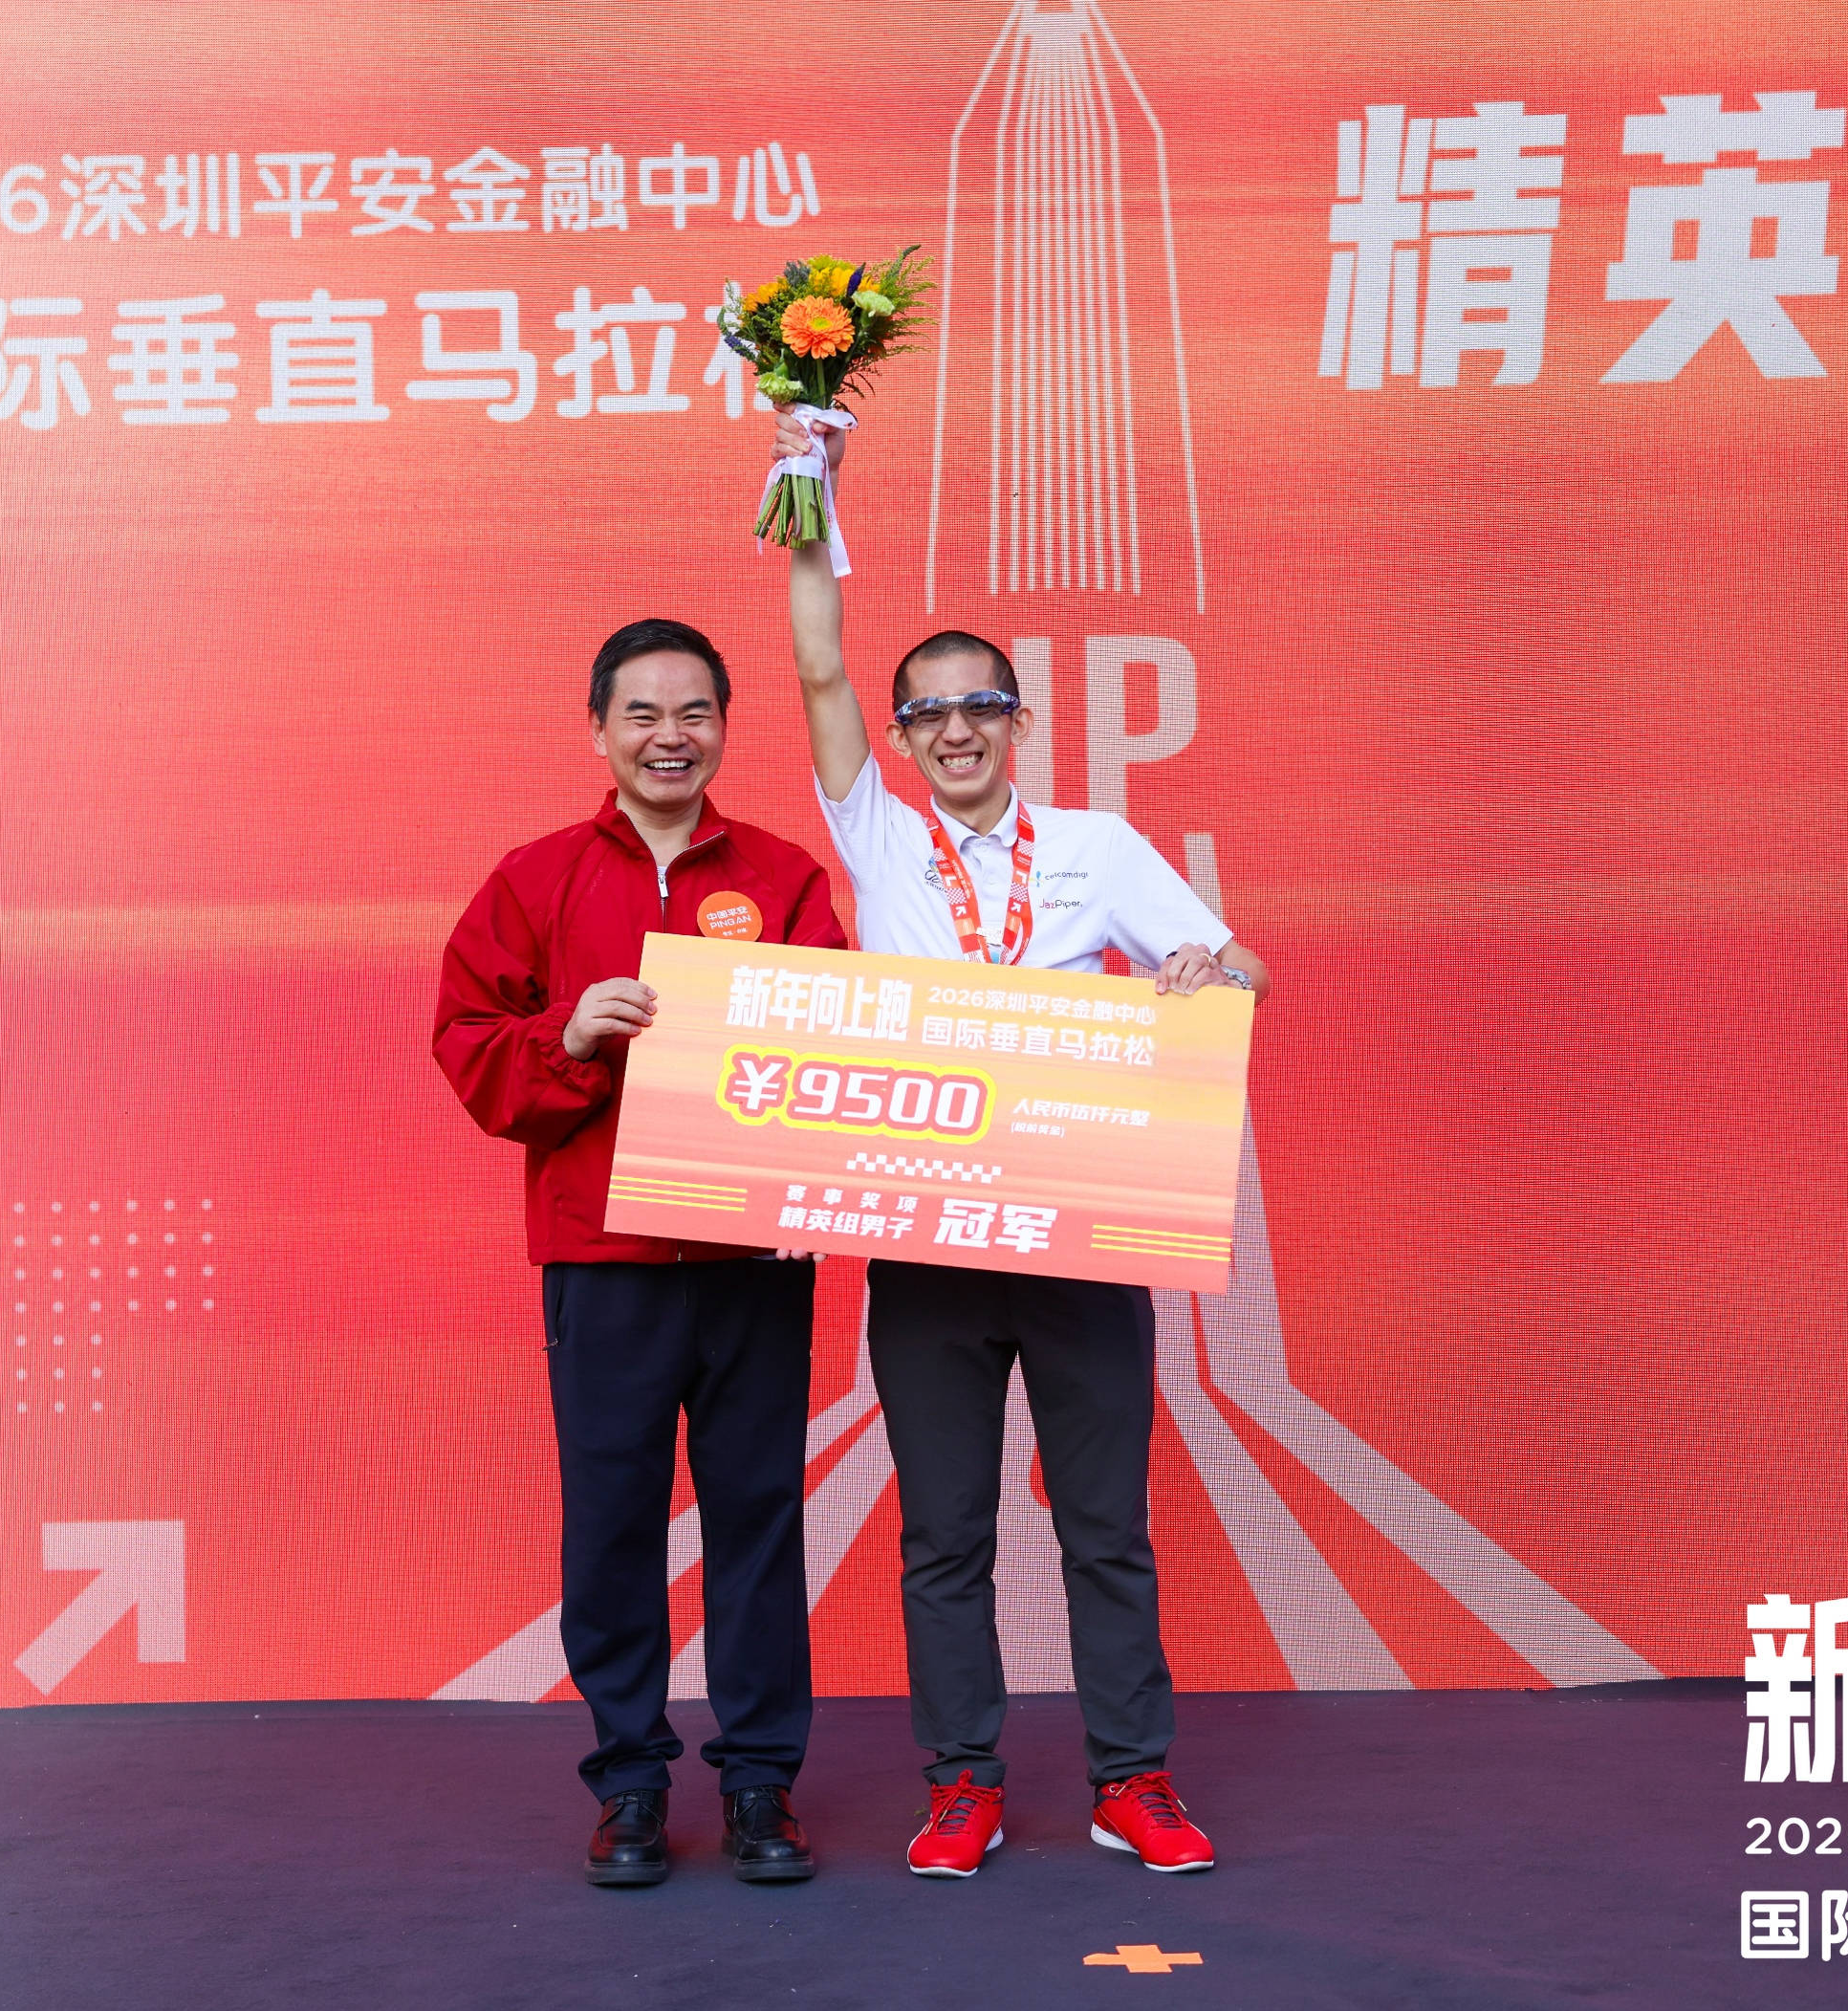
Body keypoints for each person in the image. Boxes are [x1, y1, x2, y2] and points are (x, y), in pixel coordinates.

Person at [767, 411, 1269, 1878]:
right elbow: (815, 664)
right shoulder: (879, 840)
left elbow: (1238, 970)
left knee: (1103, 1522)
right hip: (928, 1243)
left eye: (980, 705)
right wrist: (811, 482)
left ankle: (1132, 1780)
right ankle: (961, 1784)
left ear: (1017, 721)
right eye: (927, 713)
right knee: (944, 1532)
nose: (955, 730)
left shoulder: (1097, 848)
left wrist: (1204, 976)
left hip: (1081, 1233)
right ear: (901, 737)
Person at [432, 618, 848, 1889]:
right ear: (600, 730)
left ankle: (761, 1782)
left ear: (724, 727)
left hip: (751, 1261)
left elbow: (839, 1051)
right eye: (644, 714)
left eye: (695, 713)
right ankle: (627, 1783)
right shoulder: (534, 879)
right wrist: (569, 1036)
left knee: (757, 1520)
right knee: (611, 1524)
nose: (671, 737)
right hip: (600, 1259)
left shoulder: (783, 877)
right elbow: (468, 1049)